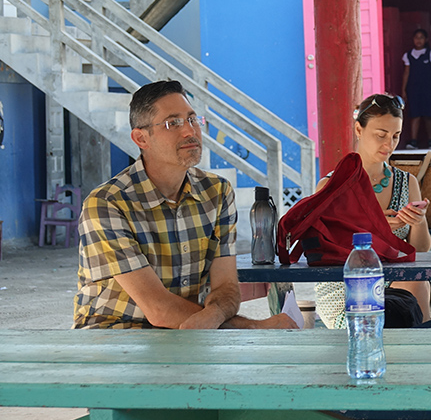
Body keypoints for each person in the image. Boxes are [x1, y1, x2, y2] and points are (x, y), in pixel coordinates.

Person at [74, 80, 296, 330]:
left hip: (189, 335)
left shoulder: (217, 192)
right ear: (141, 138)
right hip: (115, 340)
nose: (190, 131)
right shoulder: (107, 204)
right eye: (173, 123)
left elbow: (227, 288)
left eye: (192, 119)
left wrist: (214, 314)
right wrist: (256, 328)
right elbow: (159, 310)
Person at [314, 93, 431, 325]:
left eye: (396, 136)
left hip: (396, 281)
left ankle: (418, 356)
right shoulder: (332, 186)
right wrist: (373, 231)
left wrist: (417, 221)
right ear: (359, 130)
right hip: (347, 288)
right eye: (381, 135)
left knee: (416, 281)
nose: (389, 145)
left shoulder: (407, 182)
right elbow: (323, 250)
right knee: (408, 300)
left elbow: (420, 250)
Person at [401, 28, 431, 148]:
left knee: (428, 115)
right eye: (416, 38)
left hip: (428, 88)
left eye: (421, 37)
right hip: (414, 89)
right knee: (415, 114)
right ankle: (413, 141)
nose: (419, 40)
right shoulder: (408, 55)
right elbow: (406, 73)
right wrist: (403, 90)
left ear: (426, 39)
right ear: (413, 39)